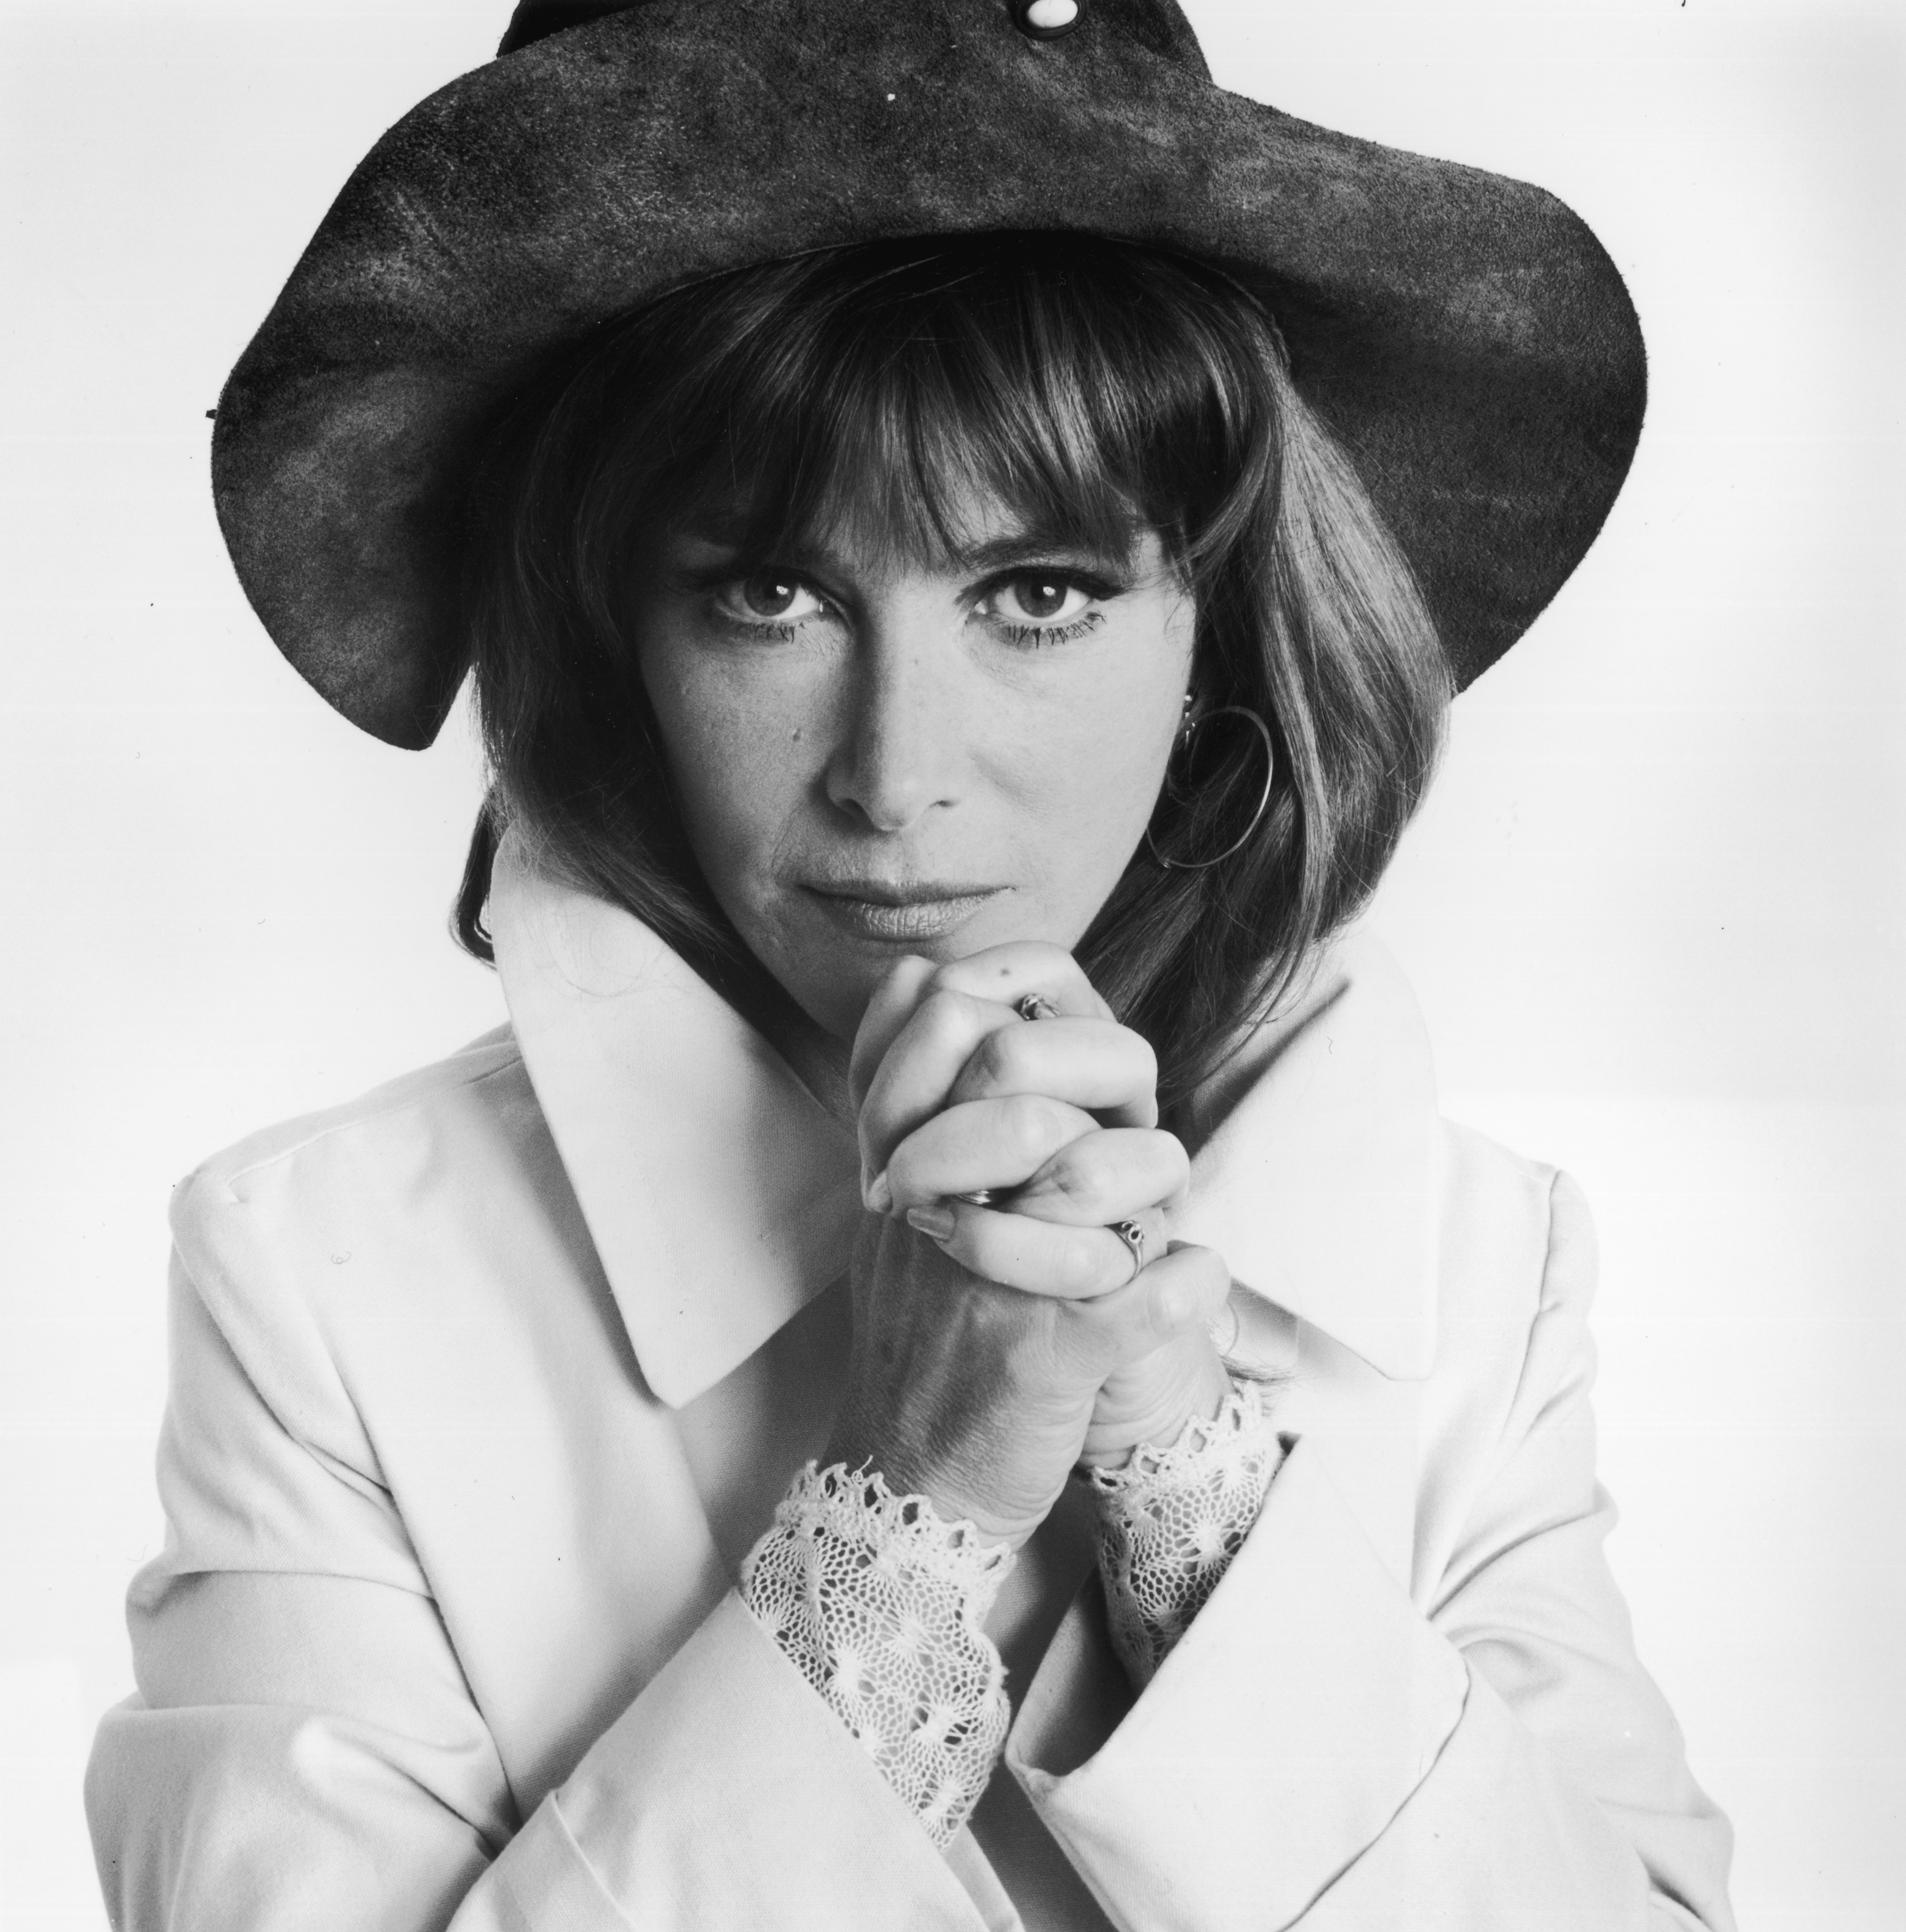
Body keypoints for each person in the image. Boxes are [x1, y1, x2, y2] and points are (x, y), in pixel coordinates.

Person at [85, 1, 1738, 1926]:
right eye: (771, 594)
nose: (897, 778)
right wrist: (910, 1510)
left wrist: (1190, 1481)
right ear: (614, 631)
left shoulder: (1488, 1263)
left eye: (1037, 594)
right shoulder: (320, 1275)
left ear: (1220, 632)